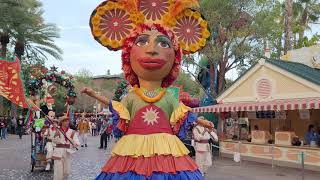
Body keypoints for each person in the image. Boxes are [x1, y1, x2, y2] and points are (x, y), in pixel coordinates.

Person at [82, 1, 212, 179]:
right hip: (132, 149)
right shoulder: (132, 96)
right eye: (142, 41)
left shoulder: (167, 96)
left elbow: (184, 113)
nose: (151, 50)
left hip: (167, 149)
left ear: (175, 58)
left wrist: (202, 122)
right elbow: (115, 106)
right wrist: (93, 94)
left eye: (164, 44)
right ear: (128, 56)